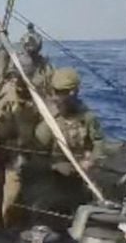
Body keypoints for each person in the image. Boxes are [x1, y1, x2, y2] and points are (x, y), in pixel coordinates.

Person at [27, 67, 105, 226]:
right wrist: (55, 166)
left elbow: (98, 141)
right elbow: (34, 155)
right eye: (55, 92)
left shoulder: (87, 117)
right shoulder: (49, 121)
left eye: (62, 92)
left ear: (74, 92)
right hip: (50, 180)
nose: (57, 97)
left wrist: (91, 160)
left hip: (79, 177)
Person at [0, 63, 41, 227]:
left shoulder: (38, 102)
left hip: (31, 154)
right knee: (10, 198)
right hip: (11, 157)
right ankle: (7, 225)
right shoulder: (8, 102)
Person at [19, 23, 54, 95]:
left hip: (33, 59)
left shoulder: (28, 36)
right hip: (34, 59)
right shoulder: (35, 36)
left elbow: (26, 45)